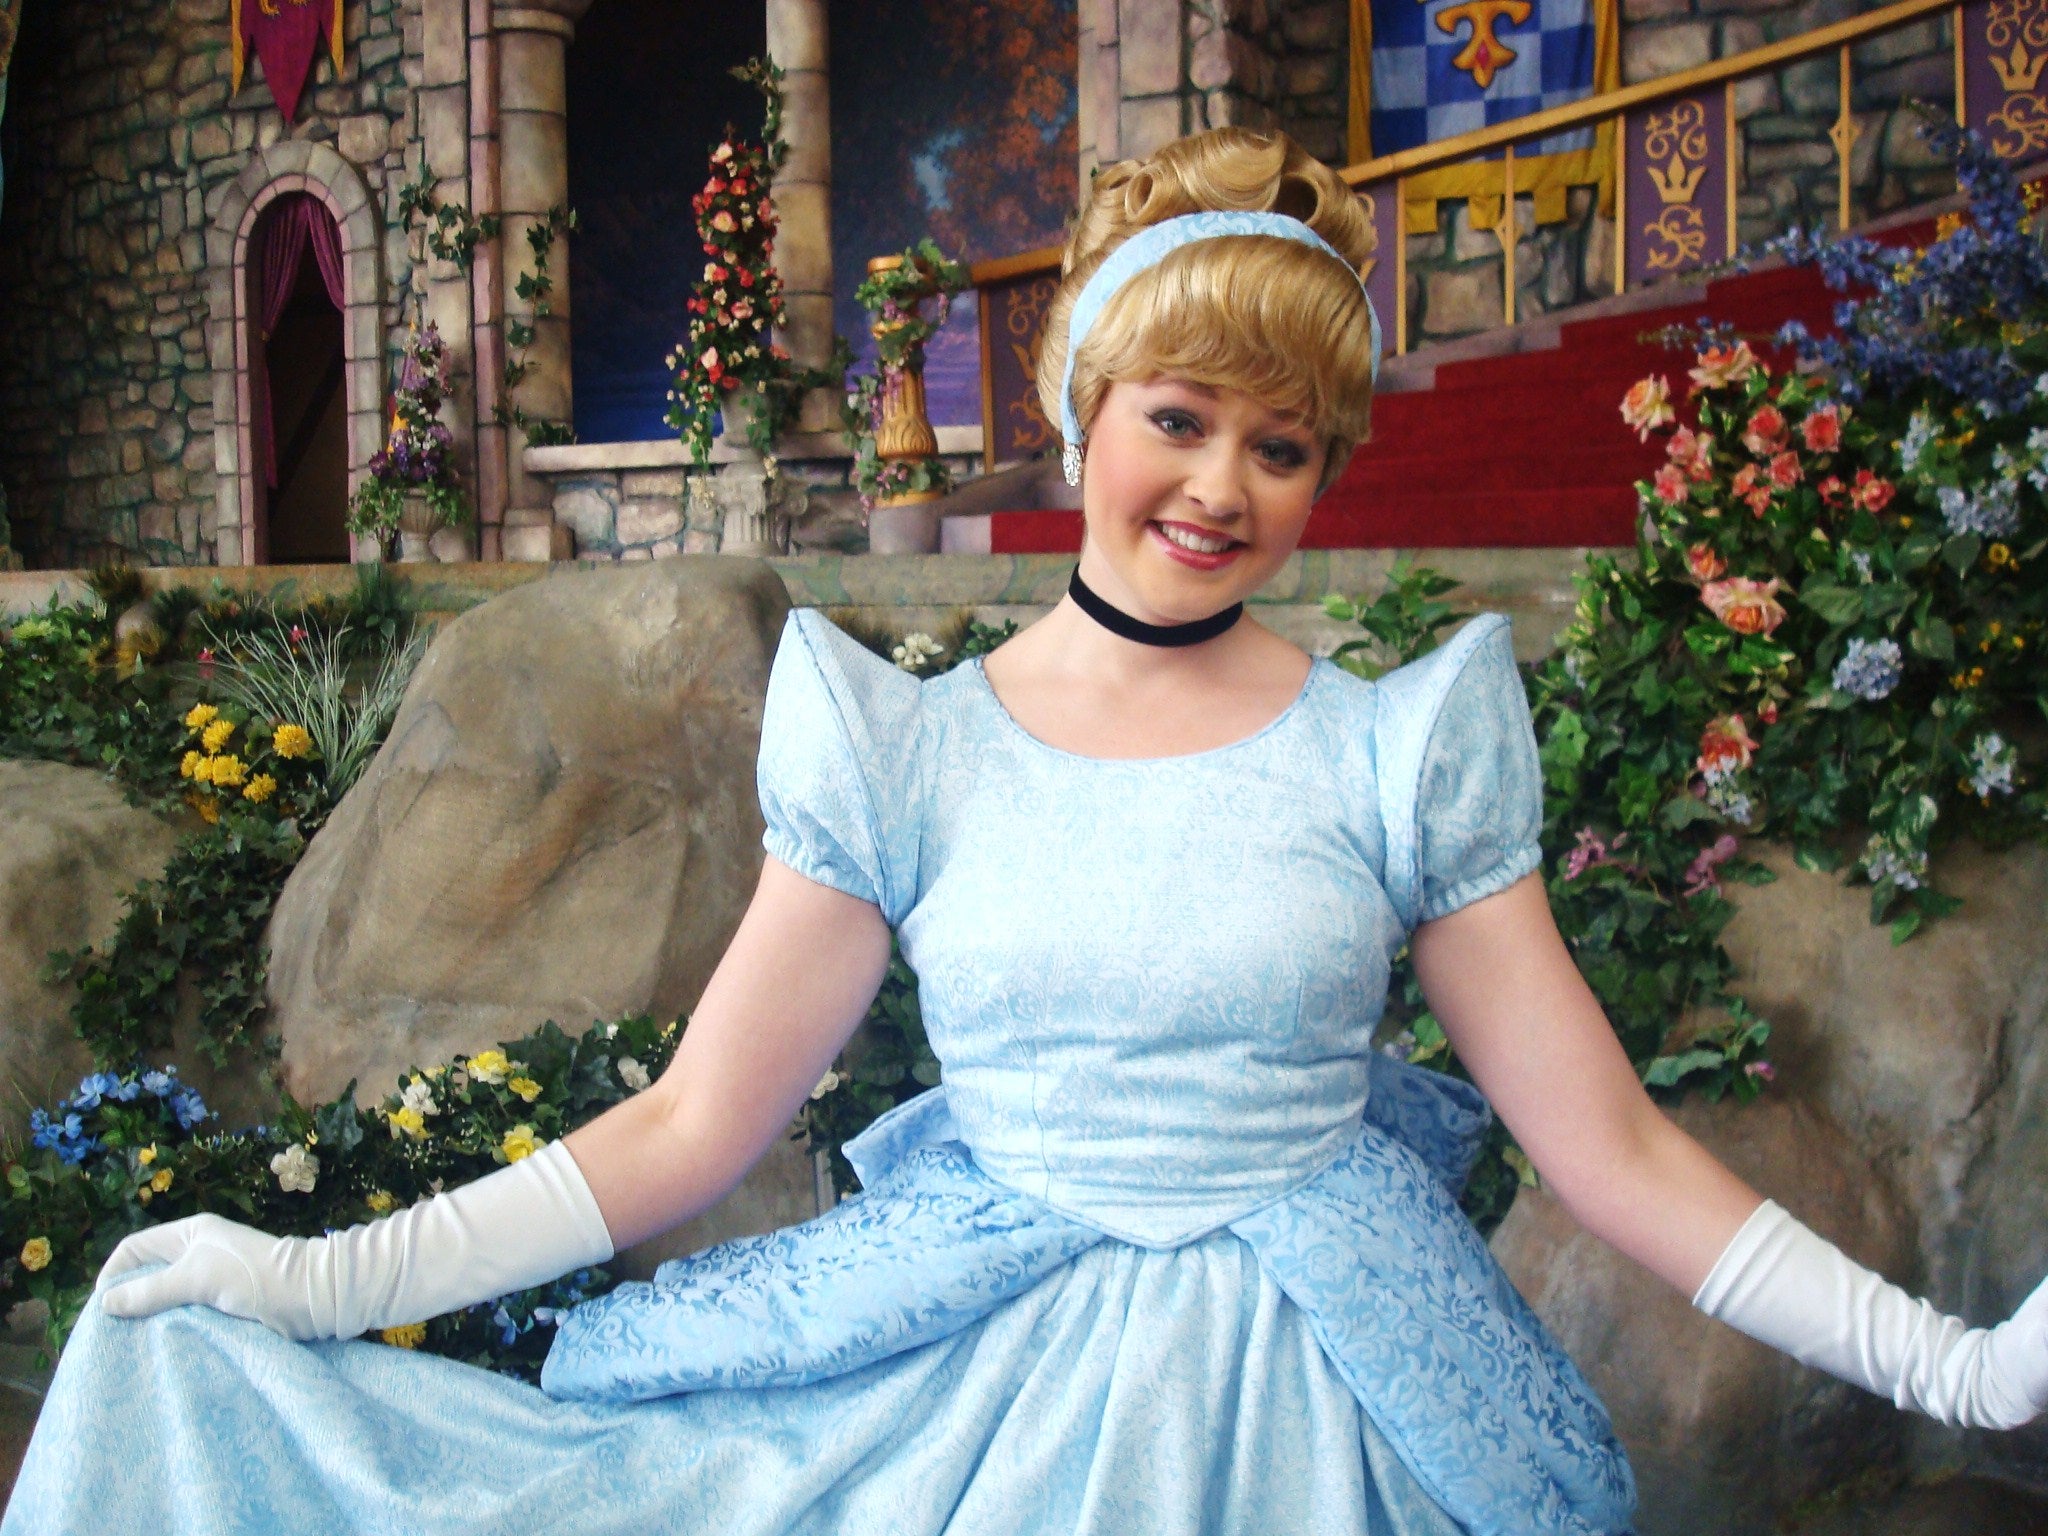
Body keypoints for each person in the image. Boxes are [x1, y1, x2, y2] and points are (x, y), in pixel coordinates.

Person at [8, 126, 2046, 1536]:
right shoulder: (910, 754)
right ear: (1083, 408)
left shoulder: (1385, 752)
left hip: (1317, 1412)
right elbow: (683, 1131)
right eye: (1180, 416)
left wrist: (1943, 1369)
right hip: (979, 1386)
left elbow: (1607, 1153)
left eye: (1284, 445)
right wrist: (312, 1282)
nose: (1224, 484)